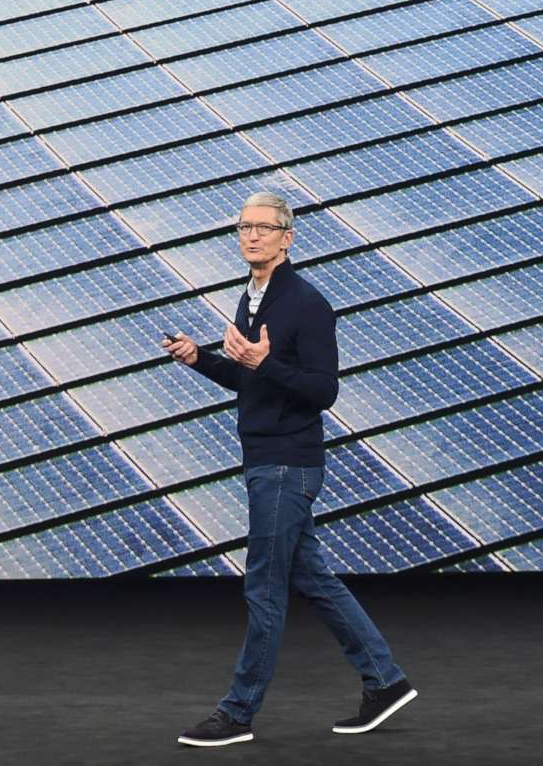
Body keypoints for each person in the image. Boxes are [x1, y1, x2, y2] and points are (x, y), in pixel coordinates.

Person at [159, 189, 419, 748]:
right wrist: (201, 358)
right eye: (244, 226)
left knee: (265, 588)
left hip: (286, 465)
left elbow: (324, 390)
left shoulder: (306, 304)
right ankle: (386, 681)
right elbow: (251, 380)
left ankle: (237, 713)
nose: (251, 235)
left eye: (264, 227)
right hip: (263, 459)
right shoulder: (251, 300)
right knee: (312, 578)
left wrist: (265, 362)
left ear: (288, 237)